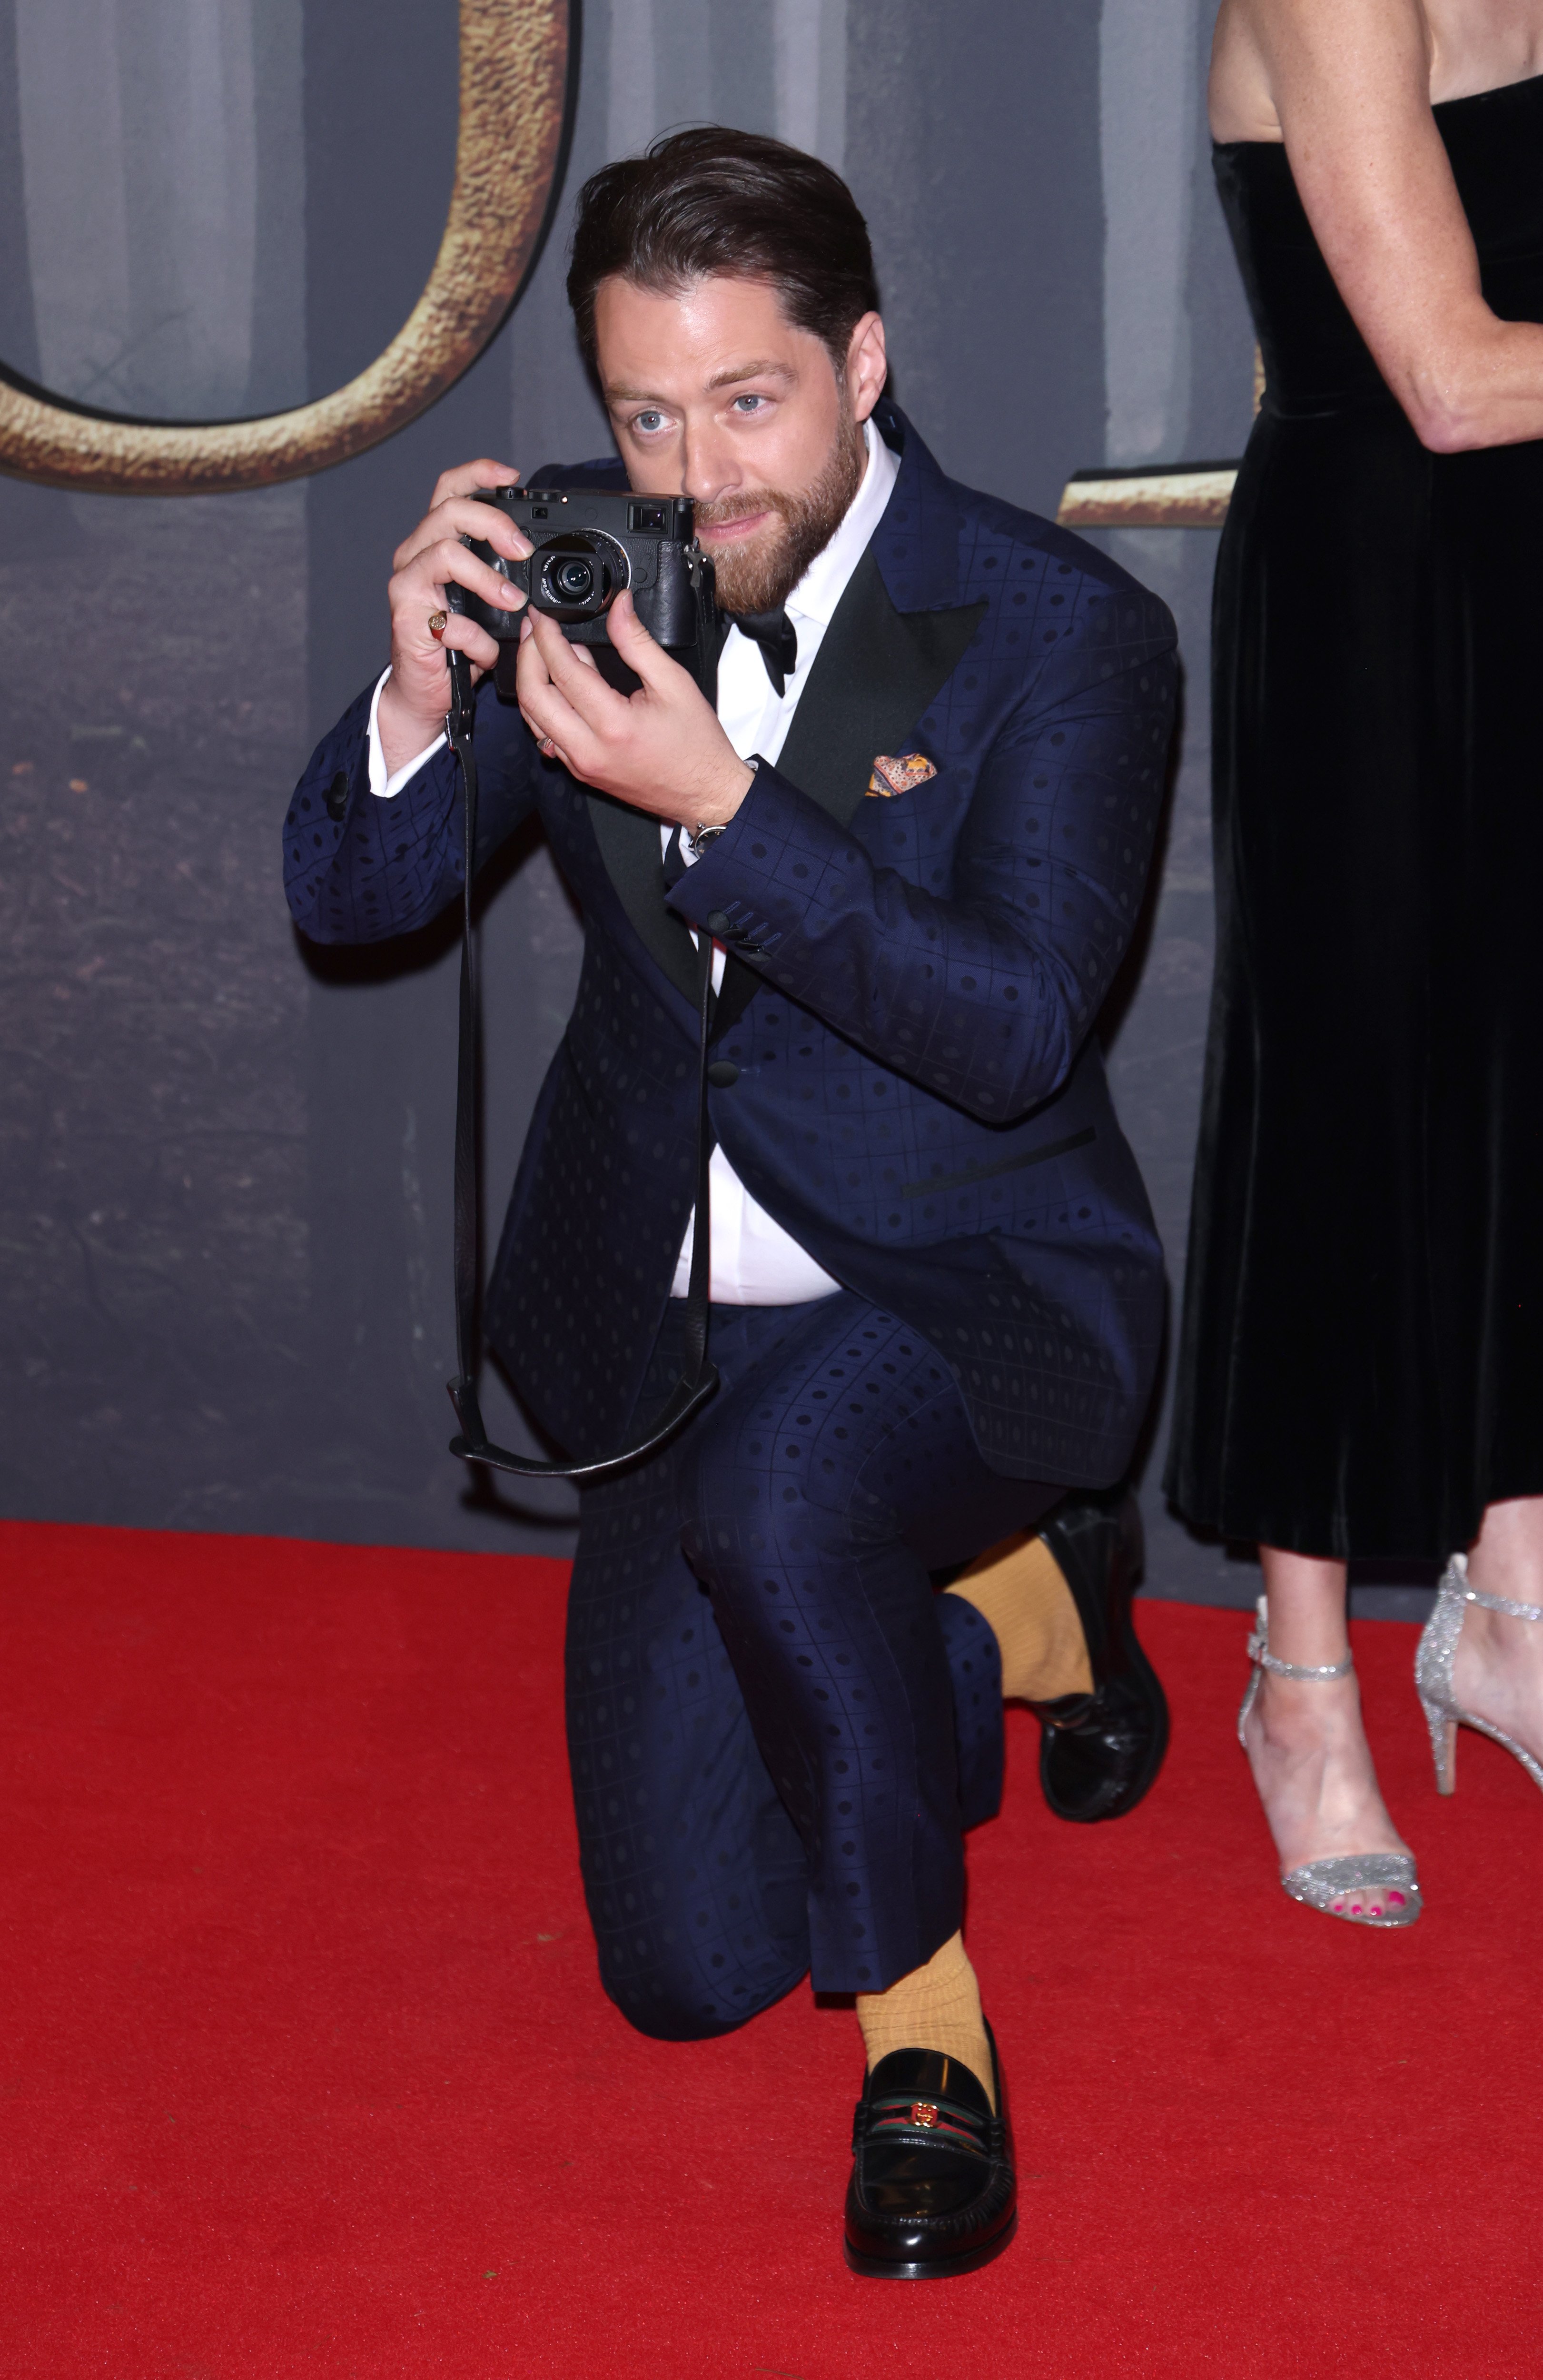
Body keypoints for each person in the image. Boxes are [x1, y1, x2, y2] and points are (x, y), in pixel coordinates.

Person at [285, 129, 1177, 2275]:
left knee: (792, 1501)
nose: (704, 466)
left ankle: (926, 2036)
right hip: (674, 1337)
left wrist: (724, 808)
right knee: (684, 1967)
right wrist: (419, 699)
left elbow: (1022, 1026)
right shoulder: (609, 578)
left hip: (975, 1283)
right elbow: (352, 897)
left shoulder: (1062, 631)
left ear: (863, 362)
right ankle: (1015, 1617)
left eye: (751, 400)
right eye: (648, 415)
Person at [1168, 0, 1543, 1927]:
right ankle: (1301, 1670)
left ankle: (1517, 1615)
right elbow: (1451, 376)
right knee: (1342, 1108)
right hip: (1376, 588)